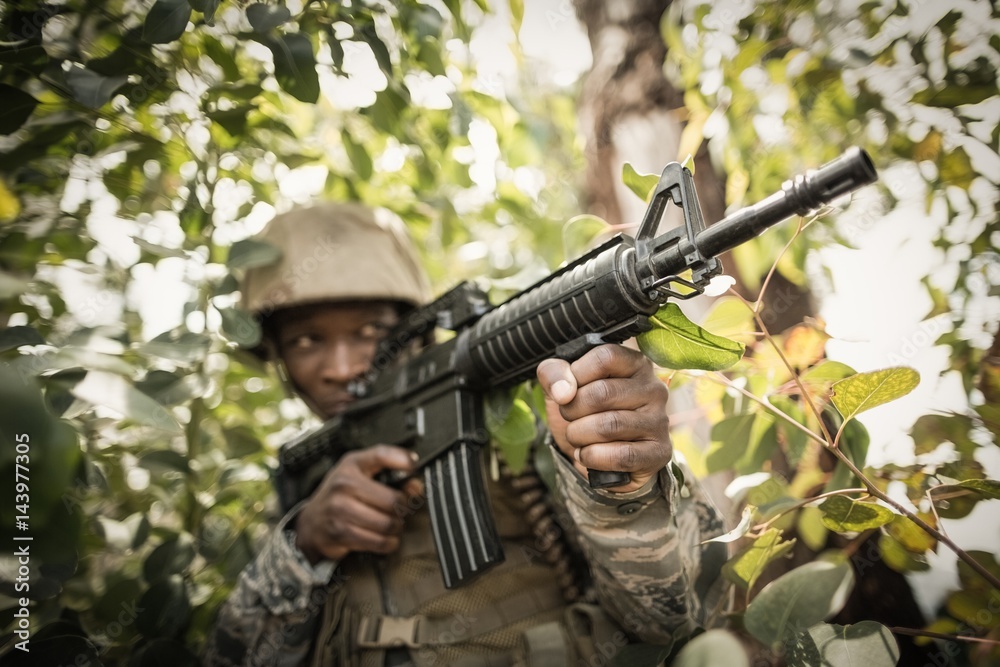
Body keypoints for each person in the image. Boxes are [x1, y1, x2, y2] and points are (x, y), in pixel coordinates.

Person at [203, 202, 726, 666]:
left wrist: (622, 487)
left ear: (417, 328)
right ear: (278, 357)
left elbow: (678, 621)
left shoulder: (520, 426)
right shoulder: (301, 486)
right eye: (307, 339)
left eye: (368, 332)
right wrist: (306, 547)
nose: (341, 366)